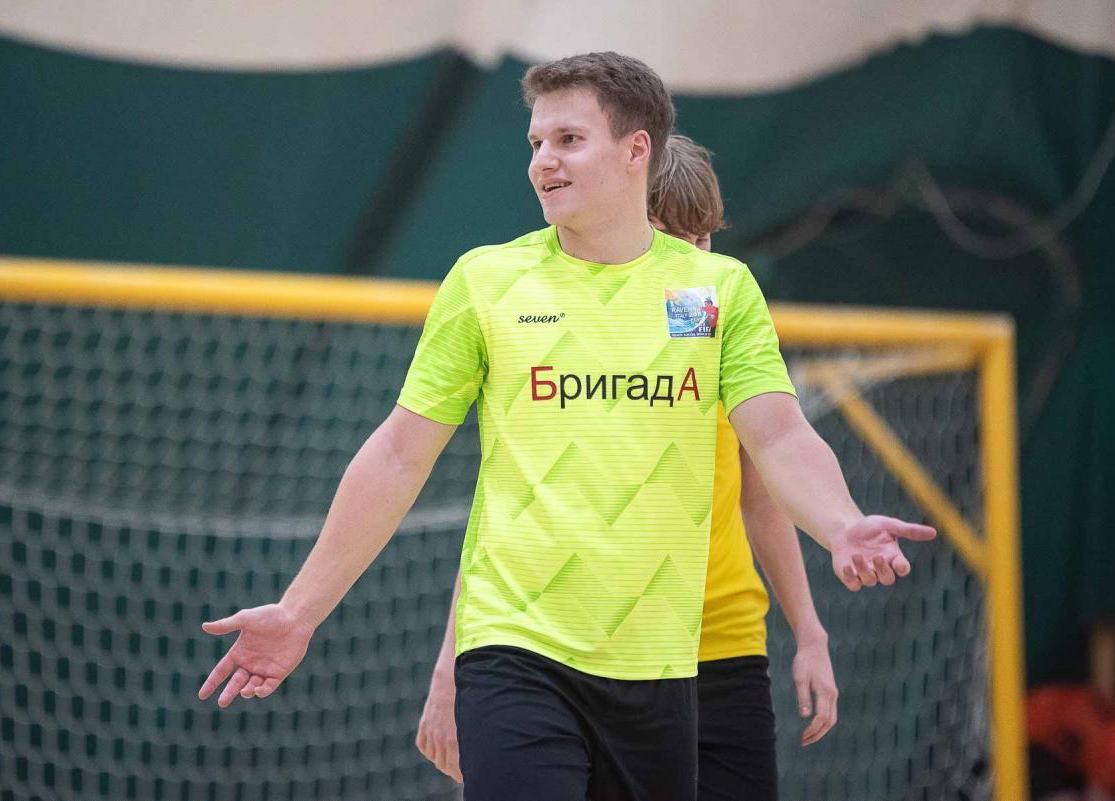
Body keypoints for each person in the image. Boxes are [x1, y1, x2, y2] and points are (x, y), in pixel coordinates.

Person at [198, 52, 935, 801]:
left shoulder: (717, 290)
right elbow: (396, 455)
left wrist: (840, 524)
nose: (542, 161)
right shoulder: (486, 281)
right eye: (535, 142)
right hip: (514, 648)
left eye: (568, 140)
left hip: (661, 664)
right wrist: (299, 611)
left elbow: (777, 438)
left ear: (636, 150)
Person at [415, 133, 839, 799]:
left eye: (703, 239)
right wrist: (452, 666)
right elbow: (506, 517)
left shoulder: (720, 321)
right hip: (582, 648)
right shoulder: (559, 333)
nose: (691, 256)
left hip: (720, 648)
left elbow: (762, 495)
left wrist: (809, 629)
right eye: (673, 238)